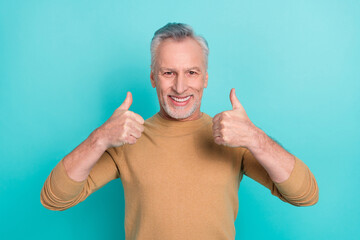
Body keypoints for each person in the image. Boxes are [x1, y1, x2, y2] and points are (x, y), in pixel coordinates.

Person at [40, 22, 319, 240]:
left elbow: (304, 194)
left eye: (192, 73)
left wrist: (255, 139)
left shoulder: (232, 137)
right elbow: (55, 198)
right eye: (168, 73)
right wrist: (100, 138)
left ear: (206, 78)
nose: (181, 87)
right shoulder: (127, 137)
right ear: (153, 77)